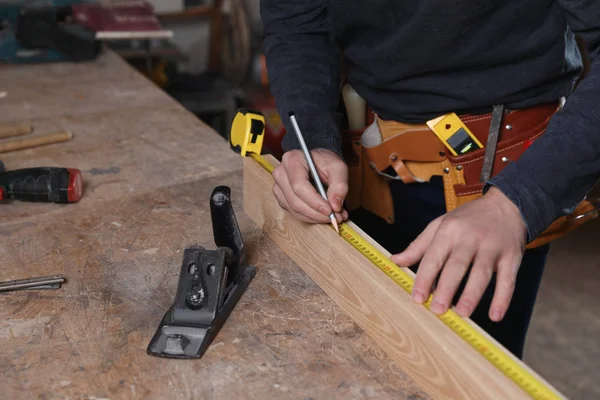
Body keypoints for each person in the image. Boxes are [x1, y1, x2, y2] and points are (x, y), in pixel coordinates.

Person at [259, 1, 600, 358]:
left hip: (494, 191)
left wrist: (520, 199)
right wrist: (313, 139)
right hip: (359, 165)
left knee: (468, 375)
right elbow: (297, 21)